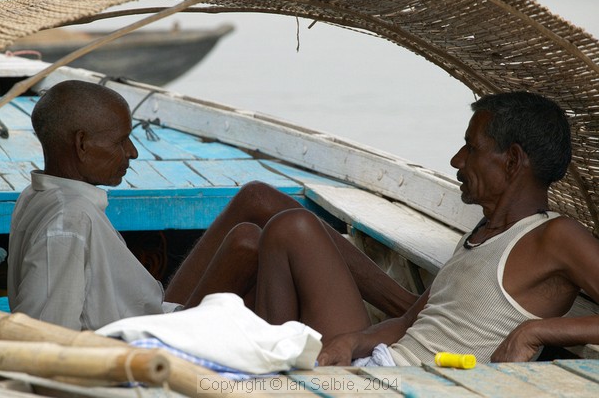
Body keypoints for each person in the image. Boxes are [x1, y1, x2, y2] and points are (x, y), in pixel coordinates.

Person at [7, 80, 416, 331]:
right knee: (261, 245)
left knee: (251, 217)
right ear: (81, 144)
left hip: (155, 311)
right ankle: (398, 320)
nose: (132, 153)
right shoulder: (67, 221)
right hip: (150, 340)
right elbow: (50, 336)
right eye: (120, 141)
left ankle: (408, 309)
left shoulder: (44, 196)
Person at [251, 91, 599, 366]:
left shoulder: (555, 236)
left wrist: (535, 332)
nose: (457, 161)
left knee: (291, 226)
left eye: (471, 148)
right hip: (383, 364)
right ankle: (272, 374)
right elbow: (406, 325)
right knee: (265, 235)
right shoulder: (478, 236)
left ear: (511, 161)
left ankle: (269, 376)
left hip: (414, 383)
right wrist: (352, 341)